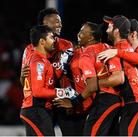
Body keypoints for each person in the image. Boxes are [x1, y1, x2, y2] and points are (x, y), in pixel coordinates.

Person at [20, 8, 87, 136]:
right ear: (45, 25)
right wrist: (24, 77)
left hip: (63, 103)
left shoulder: (66, 45)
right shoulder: (30, 50)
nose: (60, 25)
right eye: (56, 22)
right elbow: (26, 83)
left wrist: (73, 100)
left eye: (60, 22)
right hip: (42, 104)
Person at [53, 22, 124, 136]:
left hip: (99, 102)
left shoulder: (86, 54)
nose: (78, 34)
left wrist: (73, 102)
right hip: (113, 102)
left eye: (82, 32)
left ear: (91, 37)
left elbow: (92, 86)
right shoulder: (109, 49)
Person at [98, 18, 138, 136]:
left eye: (127, 31)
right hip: (137, 103)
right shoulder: (129, 52)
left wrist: (117, 52)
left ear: (133, 34)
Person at [20, 25, 60, 136]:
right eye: (51, 38)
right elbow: (38, 91)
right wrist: (61, 92)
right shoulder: (39, 61)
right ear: (42, 41)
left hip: (35, 109)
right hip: (36, 110)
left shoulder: (36, 58)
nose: (54, 41)